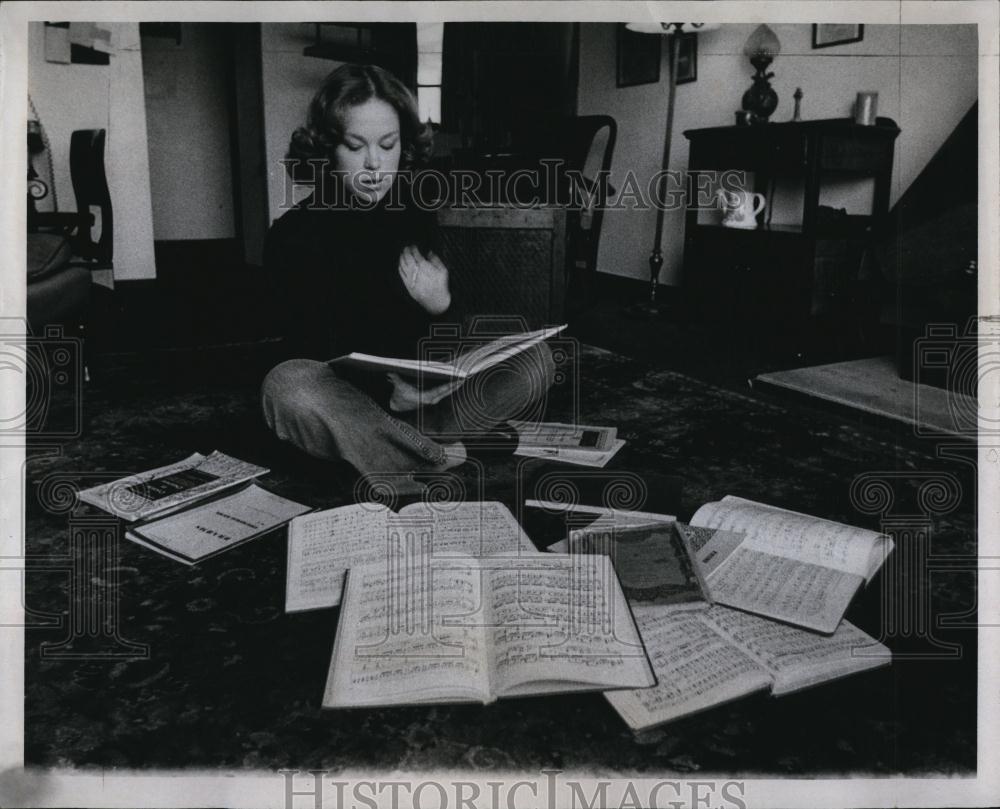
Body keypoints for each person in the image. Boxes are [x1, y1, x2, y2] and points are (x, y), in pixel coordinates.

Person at [260, 63, 556, 480]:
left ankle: (392, 451)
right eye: (355, 145)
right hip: (353, 403)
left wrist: (442, 307)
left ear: (404, 144)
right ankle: (434, 456)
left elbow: (441, 340)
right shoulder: (292, 234)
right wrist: (389, 394)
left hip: (425, 402)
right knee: (286, 387)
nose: (374, 164)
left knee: (536, 359)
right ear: (328, 148)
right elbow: (305, 348)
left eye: (387, 144)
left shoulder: (415, 215)